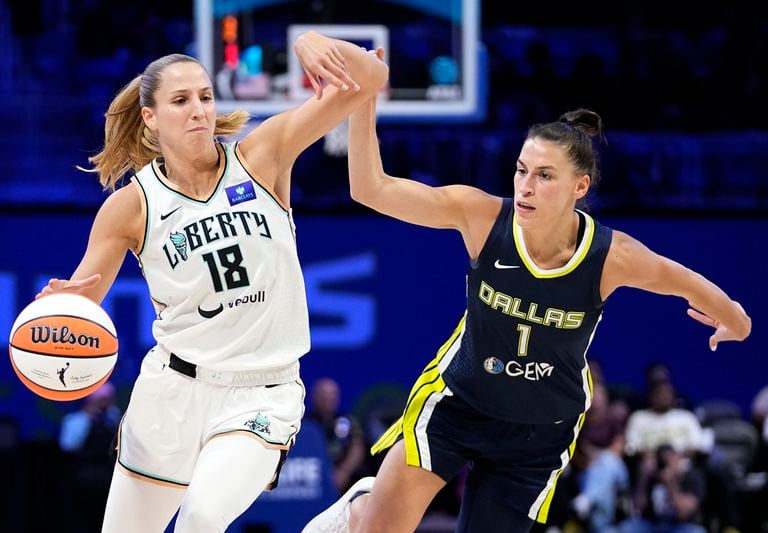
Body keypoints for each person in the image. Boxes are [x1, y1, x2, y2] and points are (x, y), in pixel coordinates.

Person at [304, 70, 751, 532]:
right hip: (459, 401)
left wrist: (735, 318)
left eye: (543, 176)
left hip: (537, 433)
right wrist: (364, 100)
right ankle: (363, 506)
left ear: (579, 186)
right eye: (521, 170)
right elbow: (370, 189)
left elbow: (682, 279)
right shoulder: (483, 218)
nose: (526, 186)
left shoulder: (611, 256)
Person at [35, 33, 387, 532]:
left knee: (200, 518)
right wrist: (60, 311)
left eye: (205, 96)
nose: (199, 110)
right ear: (151, 117)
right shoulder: (132, 205)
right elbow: (85, 299)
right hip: (170, 395)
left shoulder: (261, 156)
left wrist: (309, 42)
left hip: (262, 393)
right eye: (181, 101)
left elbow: (371, 77)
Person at [58, 382, 121, 532]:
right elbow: (67, 445)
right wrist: (89, 419)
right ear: (90, 400)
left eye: (107, 400)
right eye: (100, 400)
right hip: (83, 481)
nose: (104, 404)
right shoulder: (75, 421)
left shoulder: (116, 420)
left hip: (110, 481)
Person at [307, 377, 368, 493]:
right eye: (323, 395)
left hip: (342, 476)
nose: (328, 399)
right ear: (314, 397)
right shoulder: (305, 423)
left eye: (332, 395)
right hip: (313, 476)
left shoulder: (346, 420)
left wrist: (343, 472)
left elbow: (357, 447)